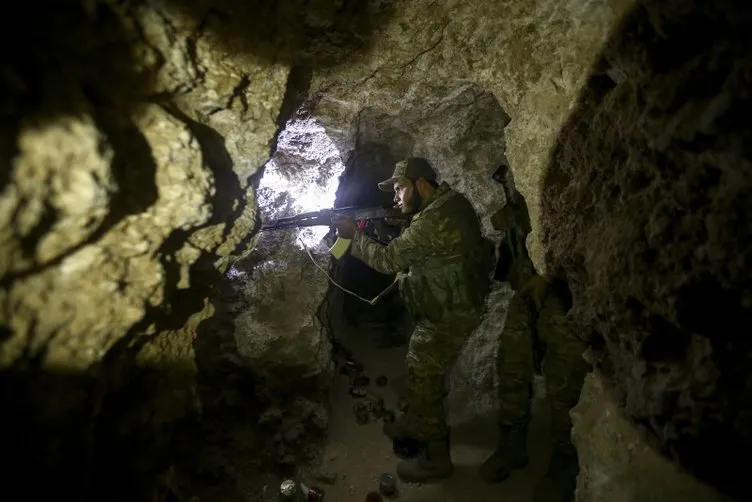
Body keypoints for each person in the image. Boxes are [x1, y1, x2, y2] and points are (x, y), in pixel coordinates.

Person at [332, 157, 493, 483]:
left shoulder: (431, 221)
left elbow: (388, 259)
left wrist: (352, 235)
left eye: (400, 188)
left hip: (449, 315)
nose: (395, 196)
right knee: (419, 364)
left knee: (423, 373)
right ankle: (418, 420)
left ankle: (437, 458)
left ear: (421, 185)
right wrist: (396, 223)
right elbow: (428, 243)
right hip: (450, 303)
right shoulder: (452, 204)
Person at [480, 167, 589, 502]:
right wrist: (512, 215)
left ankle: (565, 464)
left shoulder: (578, 179)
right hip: (529, 288)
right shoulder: (527, 183)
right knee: (510, 363)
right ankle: (512, 443)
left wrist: (548, 273)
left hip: (567, 294)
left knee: (564, 382)